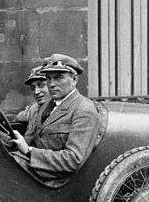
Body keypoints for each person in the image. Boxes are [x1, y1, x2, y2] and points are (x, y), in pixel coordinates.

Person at [9, 54, 103, 188]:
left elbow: (73, 159)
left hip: (52, 180)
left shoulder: (84, 110)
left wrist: (29, 151)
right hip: (36, 169)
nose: (51, 84)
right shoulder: (48, 105)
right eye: (48, 78)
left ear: (74, 79)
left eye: (58, 78)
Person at [14, 65, 51, 139]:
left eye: (41, 85)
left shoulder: (61, 110)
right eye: (33, 88)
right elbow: (18, 118)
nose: (36, 92)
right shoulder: (33, 109)